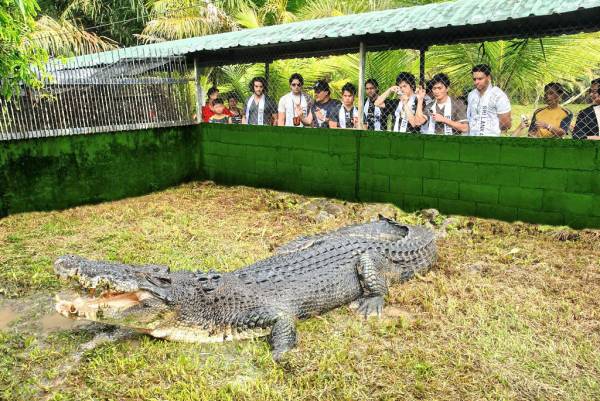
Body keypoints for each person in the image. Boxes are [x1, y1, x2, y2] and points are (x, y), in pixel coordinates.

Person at [466, 64, 511, 136]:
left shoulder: (498, 95)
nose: (476, 82)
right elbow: (469, 117)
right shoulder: (471, 95)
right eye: (474, 79)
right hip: (472, 138)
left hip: (491, 140)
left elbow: (505, 124)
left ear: (489, 78)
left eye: (480, 79)